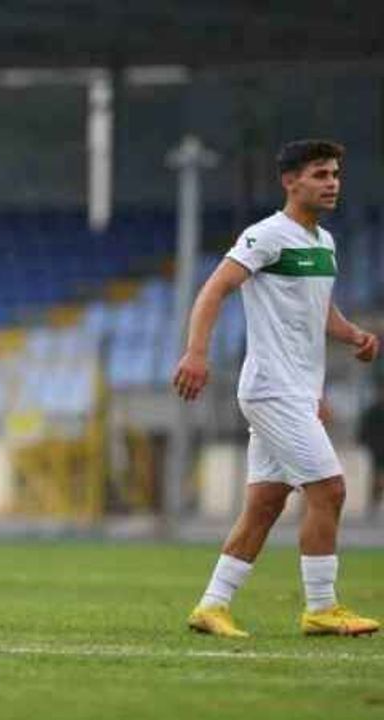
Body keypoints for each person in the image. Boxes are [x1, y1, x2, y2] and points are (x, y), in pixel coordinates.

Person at [173, 139, 380, 637]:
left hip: (297, 392)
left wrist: (353, 335)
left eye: (335, 174)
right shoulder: (265, 235)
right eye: (320, 174)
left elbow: (319, 309)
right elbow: (215, 289)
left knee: (266, 503)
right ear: (290, 182)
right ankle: (322, 607)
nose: (331, 183)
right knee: (330, 489)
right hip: (271, 389)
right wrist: (196, 353)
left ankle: (212, 606)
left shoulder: (323, 243)